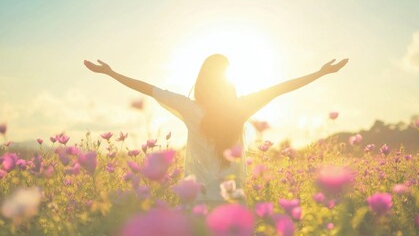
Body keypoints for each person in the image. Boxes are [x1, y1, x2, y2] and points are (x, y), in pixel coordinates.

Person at [84, 54, 348, 204]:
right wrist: (321, 73)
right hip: (233, 201)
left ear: (201, 81)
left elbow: (148, 88)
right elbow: (281, 88)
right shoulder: (241, 107)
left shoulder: (188, 107)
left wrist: (111, 73)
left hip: (196, 201)